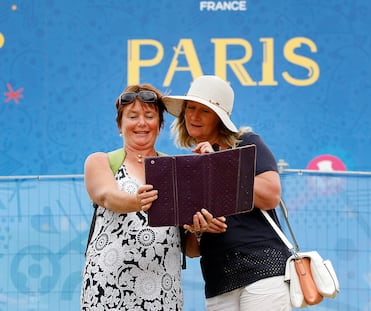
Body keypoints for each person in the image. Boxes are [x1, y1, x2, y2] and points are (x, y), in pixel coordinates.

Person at [80, 83, 225, 311]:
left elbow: (190, 250)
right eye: (132, 116)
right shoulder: (100, 161)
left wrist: (199, 230)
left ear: (159, 125)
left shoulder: (178, 169)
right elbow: (107, 196)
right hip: (107, 291)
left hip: (163, 293)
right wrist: (136, 202)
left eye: (149, 116)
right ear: (120, 125)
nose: (141, 123)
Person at [163, 75, 292, 311]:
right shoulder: (189, 168)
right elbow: (192, 250)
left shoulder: (246, 144)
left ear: (219, 119)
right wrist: (198, 229)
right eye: (190, 108)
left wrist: (218, 164)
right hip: (218, 282)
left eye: (204, 111)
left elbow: (271, 195)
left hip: (263, 270)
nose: (193, 116)